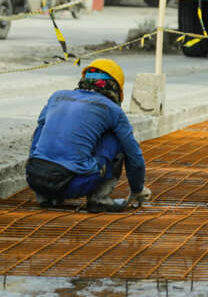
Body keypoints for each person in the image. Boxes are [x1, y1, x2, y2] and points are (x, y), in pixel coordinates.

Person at [25, 58, 151, 212]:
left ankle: (46, 197)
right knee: (117, 137)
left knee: (42, 129)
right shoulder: (112, 109)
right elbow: (134, 156)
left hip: (35, 178)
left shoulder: (56, 97)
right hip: (75, 184)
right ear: (115, 88)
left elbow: (38, 137)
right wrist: (137, 189)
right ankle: (99, 199)